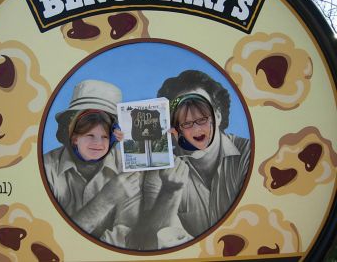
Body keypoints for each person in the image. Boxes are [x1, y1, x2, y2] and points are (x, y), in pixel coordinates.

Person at [130, 70, 251, 249]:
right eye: (184, 120)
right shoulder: (159, 166)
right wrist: (170, 191)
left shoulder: (248, 153)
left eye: (202, 116)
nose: (195, 127)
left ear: (218, 115)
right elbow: (147, 243)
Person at [43, 79, 141, 248]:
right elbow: (52, 241)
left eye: (105, 134)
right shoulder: (46, 167)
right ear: (72, 134)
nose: (98, 143)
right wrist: (106, 199)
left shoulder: (130, 165)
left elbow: (128, 239)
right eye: (88, 133)